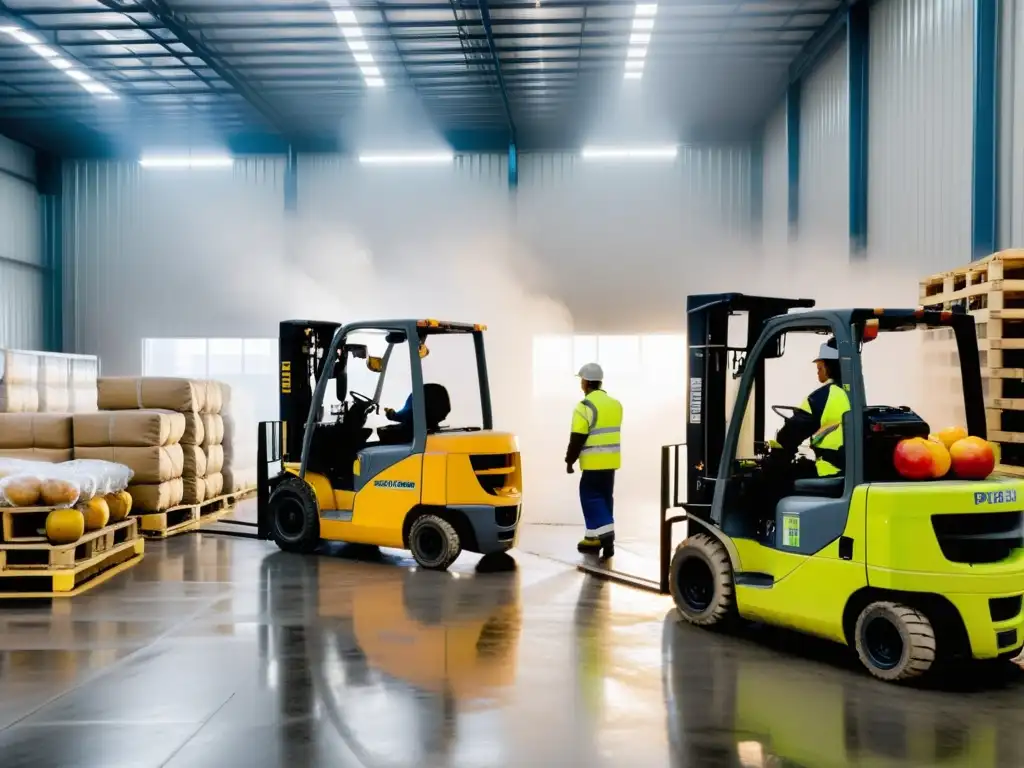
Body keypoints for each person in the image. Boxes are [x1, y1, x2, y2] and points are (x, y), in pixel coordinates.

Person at [565, 362, 623, 559]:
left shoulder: (584, 406)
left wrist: (569, 460)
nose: (581, 384)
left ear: (586, 382)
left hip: (593, 462)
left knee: (590, 496)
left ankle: (607, 535)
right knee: (605, 498)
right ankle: (593, 539)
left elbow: (578, 437)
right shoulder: (615, 404)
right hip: (611, 461)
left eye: (581, 380)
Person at [772, 338, 850, 477]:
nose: (818, 373)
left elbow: (790, 434)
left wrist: (776, 452)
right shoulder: (853, 392)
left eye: (820, 368)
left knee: (765, 482)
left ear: (830, 367)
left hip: (828, 469)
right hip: (846, 468)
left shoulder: (823, 397)